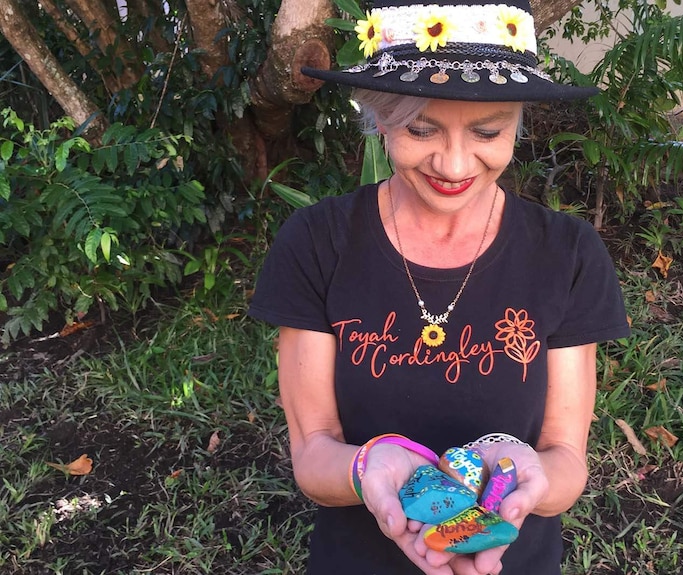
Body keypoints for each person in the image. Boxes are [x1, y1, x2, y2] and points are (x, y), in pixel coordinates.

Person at [248, 0, 630, 572]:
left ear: (517, 122)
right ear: (378, 118)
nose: (454, 165)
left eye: (487, 131)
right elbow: (313, 453)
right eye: (421, 128)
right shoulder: (317, 242)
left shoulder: (566, 253)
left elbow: (566, 460)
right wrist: (370, 467)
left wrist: (527, 474)